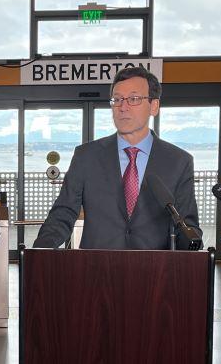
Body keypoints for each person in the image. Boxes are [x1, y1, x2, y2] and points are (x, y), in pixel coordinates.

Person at [33, 66, 202, 250]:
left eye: (134, 99)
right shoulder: (86, 156)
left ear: (154, 106)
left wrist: (192, 251)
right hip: (95, 271)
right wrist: (39, 254)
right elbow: (63, 214)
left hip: (155, 273)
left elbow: (187, 226)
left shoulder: (178, 161)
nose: (123, 107)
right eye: (118, 99)